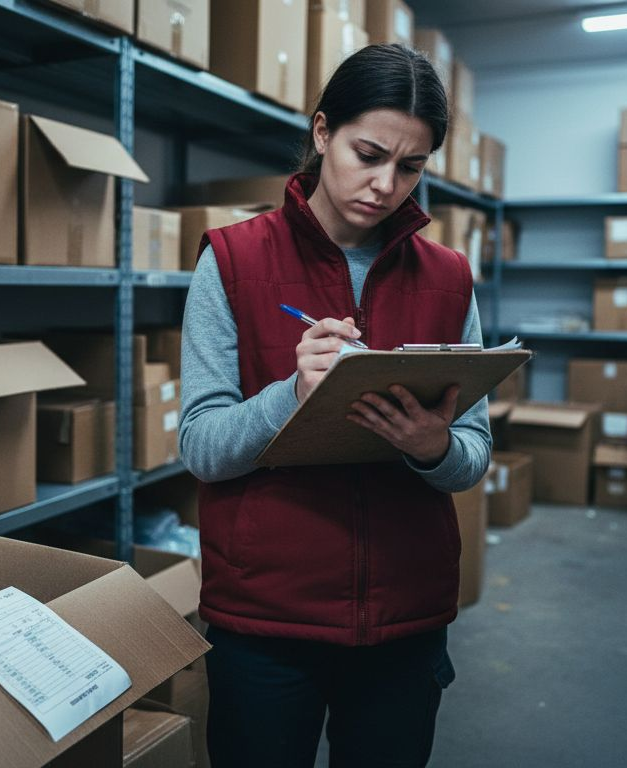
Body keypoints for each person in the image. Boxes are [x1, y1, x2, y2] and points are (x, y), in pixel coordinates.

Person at [178, 43, 492, 768]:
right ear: (322, 132)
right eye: (368, 153)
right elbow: (199, 444)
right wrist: (290, 396)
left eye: (410, 167)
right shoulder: (231, 259)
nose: (386, 185)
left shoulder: (448, 278)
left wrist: (432, 448)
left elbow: (472, 456)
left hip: (405, 620)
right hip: (266, 620)